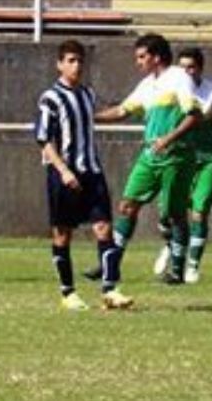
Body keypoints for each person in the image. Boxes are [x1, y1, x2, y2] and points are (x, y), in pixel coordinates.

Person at [85, 33, 202, 284]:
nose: (137, 62)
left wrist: (168, 139)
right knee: (127, 205)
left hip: (176, 156)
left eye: (141, 57)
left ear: (156, 57)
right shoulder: (148, 84)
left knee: (174, 213)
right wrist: (88, 116)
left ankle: (177, 270)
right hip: (151, 155)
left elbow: (194, 116)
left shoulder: (178, 78)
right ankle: (110, 263)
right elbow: (122, 110)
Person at [34, 39, 133, 310]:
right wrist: (63, 170)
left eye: (80, 61)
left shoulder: (87, 94)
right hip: (64, 174)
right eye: (71, 61)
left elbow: (94, 117)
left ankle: (110, 289)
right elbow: (43, 139)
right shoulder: (50, 98)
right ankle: (68, 292)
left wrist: (130, 109)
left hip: (91, 171)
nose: (76, 66)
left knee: (104, 228)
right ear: (60, 64)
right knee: (62, 234)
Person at [153, 47, 212, 283]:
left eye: (191, 67)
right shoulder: (171, 90)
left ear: (200, 69)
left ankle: (192, 265)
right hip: (180, 159)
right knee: (166, 213)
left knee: (199, 213)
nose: (186, 72)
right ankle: (171, 246)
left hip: (207, 160)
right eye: (181, 67)